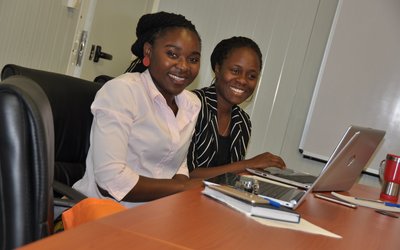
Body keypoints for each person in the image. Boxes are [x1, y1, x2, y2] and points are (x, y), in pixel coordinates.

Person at [73, 11, 203, 207]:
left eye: (193, 59)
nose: (184, 66)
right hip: (105, 213)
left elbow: (178, 165)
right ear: (149, 52)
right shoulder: (123, 92)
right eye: (172, 54)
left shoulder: (191, 104)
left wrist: (181, 185)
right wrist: (182, 188)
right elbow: (110, 180)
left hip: (156, 214)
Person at [187, 36, 286, 179]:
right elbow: (187, 175)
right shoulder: (193, 105)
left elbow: (230, 179)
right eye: (235, 71)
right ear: (217, 68)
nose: (243, 80)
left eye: (252, 76)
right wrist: (248, 164)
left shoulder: (243, 121)